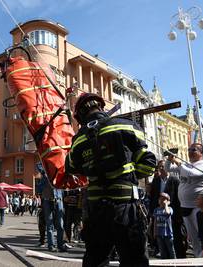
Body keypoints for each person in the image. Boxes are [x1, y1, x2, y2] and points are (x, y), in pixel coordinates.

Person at [65, 93, 156, 267]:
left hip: (96, 213)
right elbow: (148, 162)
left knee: (96, 261)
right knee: (134, 261)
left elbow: (70, 166)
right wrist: (128, 177)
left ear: (80, 115)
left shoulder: (78, 140)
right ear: (101, 107)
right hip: (126, 210)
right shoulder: (127, 126)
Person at [165, 143, 203, 257]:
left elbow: (191, 174)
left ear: (200, 153)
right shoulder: (187, 164)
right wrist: (169, 159)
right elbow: (168, 168)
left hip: (199, 206)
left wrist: (178, 162)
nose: (190, 151)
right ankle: (198, 259)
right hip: (185, 206)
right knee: (193, 238)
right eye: (189, 149)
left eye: (194, 150)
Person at [37, 163, 68, 252]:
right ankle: (51, 246)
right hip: (47, 200)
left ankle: (60, 245)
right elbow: (39, 189)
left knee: (60, 224)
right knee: (49, 224)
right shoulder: (44, 173)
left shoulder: (60, 172)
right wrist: (45, 175)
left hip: (58, 200)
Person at [153, 193, 176, 259]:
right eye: (160, 198)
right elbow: (155, 221)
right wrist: (154, 232)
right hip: (159, 234)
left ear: (167, 201)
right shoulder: (156, 210)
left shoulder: (169, 208)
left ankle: (175, 263)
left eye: (163, 199)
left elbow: (167, 213)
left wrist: (166, 204)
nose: (161, 200)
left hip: (168, 234)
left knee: (171, 251)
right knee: (162, 251)